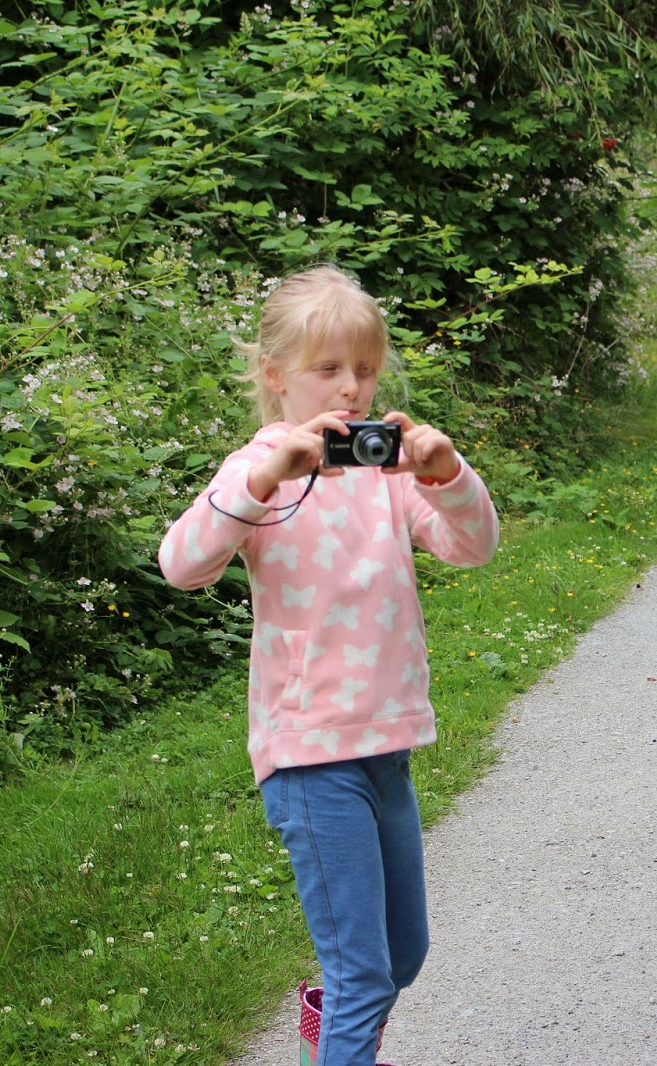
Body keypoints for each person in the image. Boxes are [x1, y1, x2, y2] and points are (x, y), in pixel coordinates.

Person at [158, 264, 500, 1066]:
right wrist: (264, 480)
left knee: (402, 955)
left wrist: (447, 474)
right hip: (310, 755)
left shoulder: (386, 472)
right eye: (328, 369)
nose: (351, 387)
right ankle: (345, 1039)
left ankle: (332, 1032)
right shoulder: (257, 474)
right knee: (362, 976)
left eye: (366, 368)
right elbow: (182, 564)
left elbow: (473, 546)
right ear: (274, 375)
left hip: (386, 745)